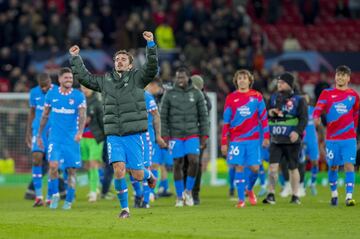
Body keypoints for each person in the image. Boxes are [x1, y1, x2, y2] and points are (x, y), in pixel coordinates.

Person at [69, 31, 158, 218]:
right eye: (117, 59)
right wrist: (76, 58)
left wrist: (150, 45)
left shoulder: (138, 78)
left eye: (124, 59)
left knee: (138, 175)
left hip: (134, 134)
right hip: (114, 134)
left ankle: (149, 175)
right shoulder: (106, 80)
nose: (119, 61)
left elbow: (151, 68)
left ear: (131, 64)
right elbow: (86, 78)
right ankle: (125, 209)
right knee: (118, 169)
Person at [37, 67, 87, 210]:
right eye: (66, 78)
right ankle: (55, 195)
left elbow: (83, 115)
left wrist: (80, 132)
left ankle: (69, 201)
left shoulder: (78, 96)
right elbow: (45, 115)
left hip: (72, 139)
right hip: (55, 138)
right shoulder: (51, 94)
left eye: (71, 78)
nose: (69, 80)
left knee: (71, 170)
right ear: (59, 79)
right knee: (53, 166)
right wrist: (39, 135)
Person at [160, 67, 209, 207]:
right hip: (175, 136)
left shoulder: (197, 94)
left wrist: (204, 136)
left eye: (182, 77)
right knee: (177, 163)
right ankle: (180, 196)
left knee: (194, 161)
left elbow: (204, 117)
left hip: (192, 134)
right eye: (178, 77)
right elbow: (163, 117)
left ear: (188, 78)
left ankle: (188, 192)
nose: (180, 80)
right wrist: (165, 136)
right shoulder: (169, 94)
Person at [221, 69, 270, 208]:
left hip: (253, 140)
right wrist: (224, 142)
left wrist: (266, 136)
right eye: (239, 78)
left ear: (249, 80)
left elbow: (264, 118)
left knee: (255, 168)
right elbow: (226, 122)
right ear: (236, 81)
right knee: (239, 167)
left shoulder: (257, 96)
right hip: (237, 140)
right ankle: (241, 200)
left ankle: (249, 189)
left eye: (244, 78)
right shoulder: (231, 98)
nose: (242, 80)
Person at [313, 65, 359, 206]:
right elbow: (318, 109)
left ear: (348, 78)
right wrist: (316, 117)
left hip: (349, 138)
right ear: (335, 77)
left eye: (343, 75)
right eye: (338, 74)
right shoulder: (327, 93)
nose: (340, 77)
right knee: (333, 166)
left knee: (349, 166)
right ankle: (334, 194)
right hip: (332, 138)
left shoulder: (354, 96)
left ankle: (349, 197)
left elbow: (356, 115)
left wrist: (355, 132)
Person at [263, 72, 308, 205]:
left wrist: (297, 132)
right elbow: (266, 115)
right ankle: (271, 194)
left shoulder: (299, 100)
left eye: (282, 82)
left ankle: (295, 195)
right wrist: (270, 113)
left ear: (289, 84)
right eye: (278, 82)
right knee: (272, 168)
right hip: (276, 139)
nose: (279, 84)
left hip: (291, 140)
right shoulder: (273, 98)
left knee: (293, 168)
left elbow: (304, 119)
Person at [134, 78, 166, 208]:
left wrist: (158, 135)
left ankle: (146, 199)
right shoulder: (125, 96)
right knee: (132, 168)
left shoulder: (147, 97)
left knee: (149, 166)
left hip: (146, 135)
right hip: (130, 136)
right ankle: (139, 194)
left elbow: (156, 115)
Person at [25, 73, 56, 206]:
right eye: (41, 86)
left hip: (54, 132)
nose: (44, 89)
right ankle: (38, 196)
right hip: (38, 131)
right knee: (36, 158)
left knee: (52, 164)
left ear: (50, 82)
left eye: (46, 86)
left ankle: (50, 197)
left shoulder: (58, 91)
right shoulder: (33, 93)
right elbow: (31, 112)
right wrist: (28, 131)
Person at [185, 74, 212, 205]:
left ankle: (194, 193)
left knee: (195, 164)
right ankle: (188, 193)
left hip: (197, 136)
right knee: (186, 164)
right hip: (185, 135)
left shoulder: (204, 99)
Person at [80, 85, 105, 202]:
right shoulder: (79, 100)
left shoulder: (97, 102)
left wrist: (105, 135)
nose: (85, 90)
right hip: (82, 138)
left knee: (93, 163)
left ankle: (93, 191)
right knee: (87, 165)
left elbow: (102, 120)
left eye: (87, 88)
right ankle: (95, 186)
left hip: (95, 138)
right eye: (83, 88)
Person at [302, 94, 320, 196]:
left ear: (308, 100)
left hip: (312, 141)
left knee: (315, 163)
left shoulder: (313, 110)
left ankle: (313, 184)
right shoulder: (298, 112)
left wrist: (317, 122)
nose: (304, 100)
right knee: (302, 164)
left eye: (306, 98)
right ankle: (302, 184)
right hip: (302, 141)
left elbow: (318, 123)